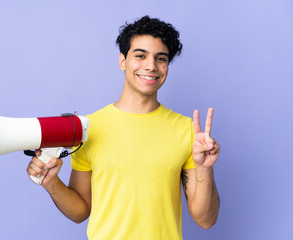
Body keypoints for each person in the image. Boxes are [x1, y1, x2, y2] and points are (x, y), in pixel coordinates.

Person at [27, 15, 220, 240]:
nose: (151, 66)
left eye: (161, 58)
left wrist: (205, 168)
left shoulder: (187, 130)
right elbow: (80, 211)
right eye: (140, 55)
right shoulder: (89, 127)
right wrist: (51, 183)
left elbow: (205, 220)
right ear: (122, 61)